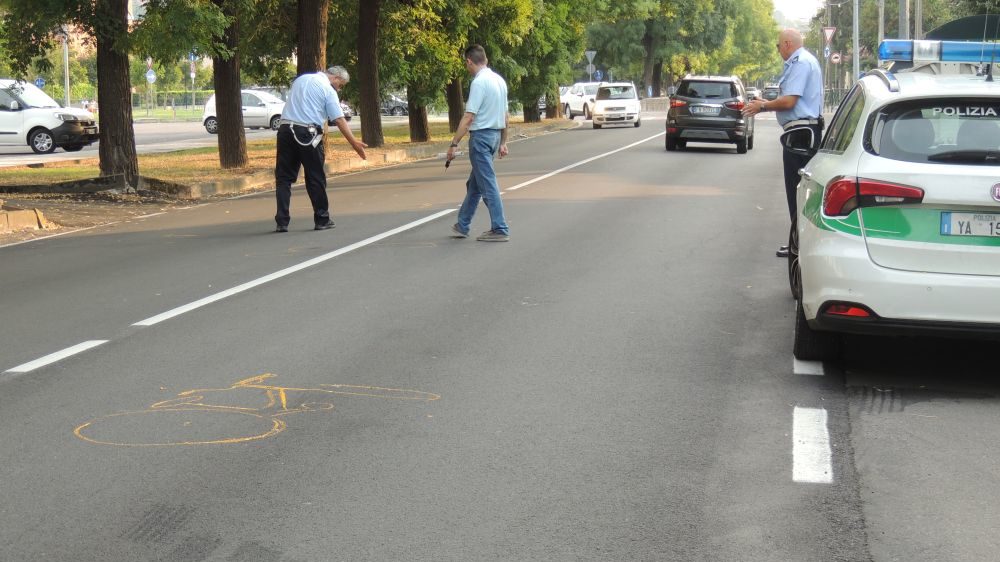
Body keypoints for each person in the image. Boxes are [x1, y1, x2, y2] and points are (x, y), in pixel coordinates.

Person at [742, 28, 823, 257]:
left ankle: (800, 244)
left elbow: (789, 101)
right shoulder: (803, 61)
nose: (778, 50)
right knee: (797, 190)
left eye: (778, 46)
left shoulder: (800, 63)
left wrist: (763, 106)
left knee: (797, 189)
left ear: (787, 43)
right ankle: (798, 241)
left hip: (801, 132)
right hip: (800, 131)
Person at [274, 66, 367, 232]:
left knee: (284, 178)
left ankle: (282, 221)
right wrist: (354, 143)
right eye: (341, 85)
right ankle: (322, 218)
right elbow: (338, 119)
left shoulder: (301, 80)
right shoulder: (328, 90)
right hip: (308, 134)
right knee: (315, 176)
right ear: (336, 78)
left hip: (285, 130)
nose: (339, 88)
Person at [446, 45, 511, 242]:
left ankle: (500, 228)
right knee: (475, 183)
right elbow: (505, 116)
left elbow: (468, 117)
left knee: (488, 184)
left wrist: (454, 143)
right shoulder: (499, 80)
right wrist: (503, 142)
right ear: (486, 60)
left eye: (466, 65)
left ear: (469, 62)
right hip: (494, 138)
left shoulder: (479, 83)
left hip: (481, 139)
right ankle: (463, 224)